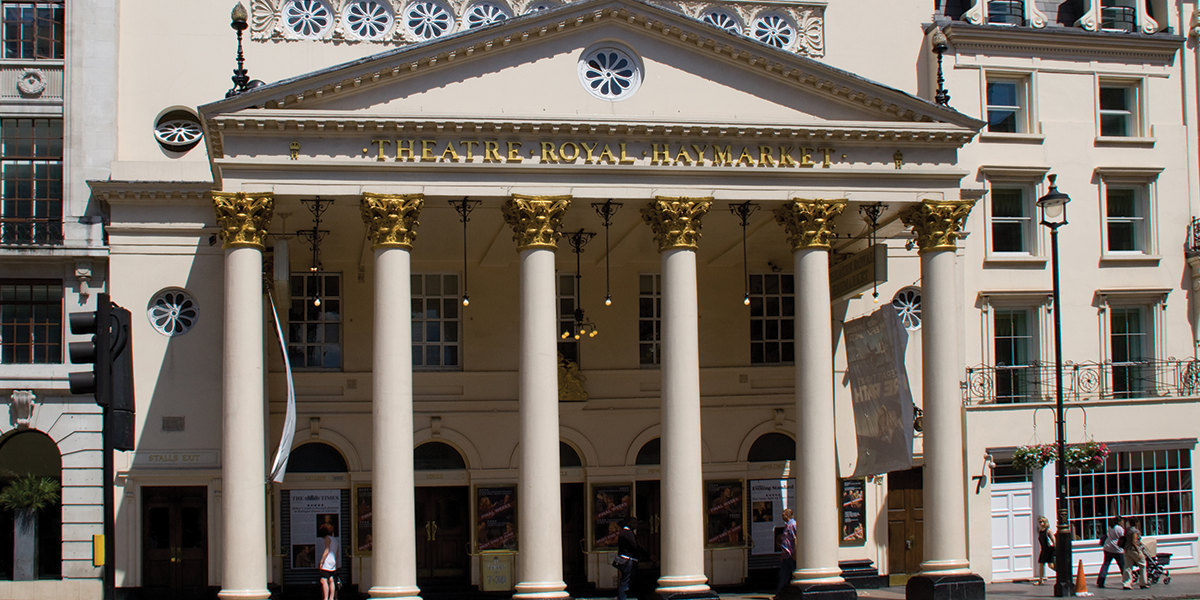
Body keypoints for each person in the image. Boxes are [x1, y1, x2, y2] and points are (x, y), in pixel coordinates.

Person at [615, 518, 641, 600]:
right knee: (625, 582)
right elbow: (635, 546)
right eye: (634, 523)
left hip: (627, 560)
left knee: (632, 581)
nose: (636, 525)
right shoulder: (627, 533)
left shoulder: (625, 533)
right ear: (629, 523)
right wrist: (647, 555)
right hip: (628, 560)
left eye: (637, 523)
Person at [1097, 516, 1125, 588]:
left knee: (1106, 564)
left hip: (1108, 547)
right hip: (1117, 549)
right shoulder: (1119, 528)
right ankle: (1126, 581)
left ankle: (1101, 581)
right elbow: (1122, 538)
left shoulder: (1110, 527)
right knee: (1122, 566)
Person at [1121, 517, 1147, 589]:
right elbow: (1133, 541)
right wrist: (1138, 552)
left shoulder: (1127, 530)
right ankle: (1143, 583)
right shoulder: (1135, 531)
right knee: (1142, 564)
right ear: (1136, 523)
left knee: (1127, 566)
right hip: (1134, 550)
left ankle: (1126, 583)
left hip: (1127, 549)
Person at [776, 508, 796, 594]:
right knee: (783, 575)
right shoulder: (787, 525)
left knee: (793, 573)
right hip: (786, 555)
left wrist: (795, 553)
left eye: (783, 515)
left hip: (791, 554)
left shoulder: (792, 525)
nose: (782, 516)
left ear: (787, 515)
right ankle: (779, 593)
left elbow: (795, 539)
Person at [319, 523, 339, 600]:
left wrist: (321, 561)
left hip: (327, 562)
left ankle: (325, 598)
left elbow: (326, 551)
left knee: (324, 580)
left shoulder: (328, 539)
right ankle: (331, 598)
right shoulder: (335, 540)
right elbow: (336, 553)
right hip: (333, 562)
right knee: (331, 580)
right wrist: (336, 563)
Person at [1034, 516, 1055, 585]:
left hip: (1049, 549)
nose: (1040, 523)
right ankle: (1041, 580)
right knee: (1041, 564)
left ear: (1045, 522)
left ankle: (1061, 573)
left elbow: (1053, 540)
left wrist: (1056, 549)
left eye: (1041, 522)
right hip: (1043, 549)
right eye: (1039, 522)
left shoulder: (1048, 531)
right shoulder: (1041, 531)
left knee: (1051, 565)